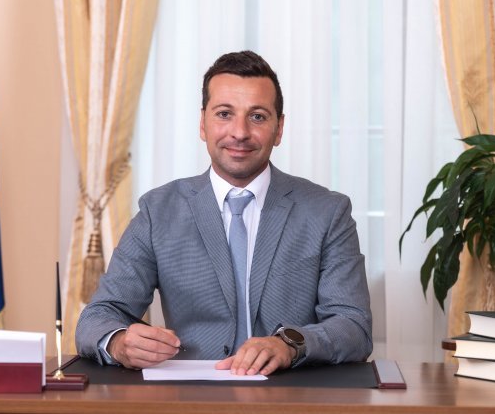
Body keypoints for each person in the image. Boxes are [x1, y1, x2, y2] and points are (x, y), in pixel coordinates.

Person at [76, 51, 372, 376]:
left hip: (292, 393)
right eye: (224, 114)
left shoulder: (328, 212)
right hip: (192, 395)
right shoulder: (157, 212)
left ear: (279, 129)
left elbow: (353, 326)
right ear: (203, 124)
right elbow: (97, 317)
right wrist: (120, 343)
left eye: (257, 116)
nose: (240, 132)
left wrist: (289, 344)